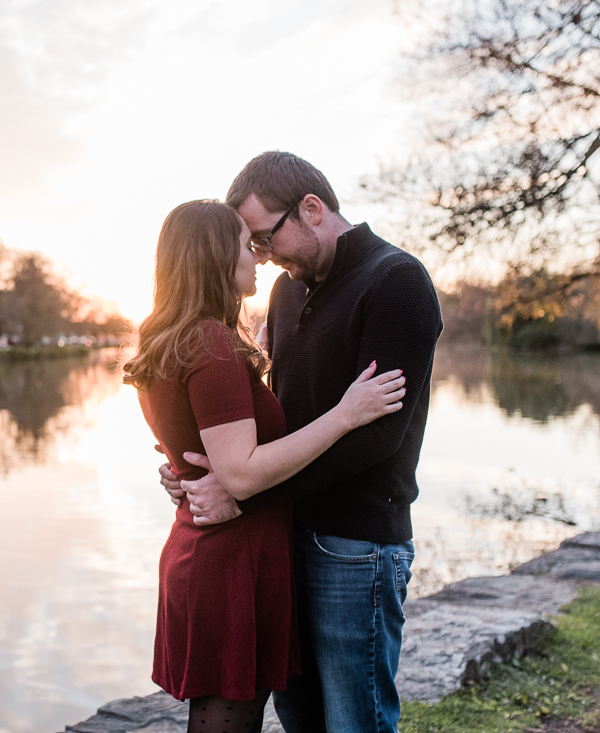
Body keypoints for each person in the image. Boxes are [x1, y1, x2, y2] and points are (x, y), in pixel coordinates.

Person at [160, 152, 442, 733]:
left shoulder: (397, 280)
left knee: (353, 720)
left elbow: (379, 438)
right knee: (300, 718)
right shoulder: (288, 293)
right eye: (251, 246)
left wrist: (244, 493)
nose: (261, 258)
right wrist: (198, 467)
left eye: (263, 238)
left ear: (311, 210)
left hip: (355, 544)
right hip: (286, 537)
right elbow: (274, 413)